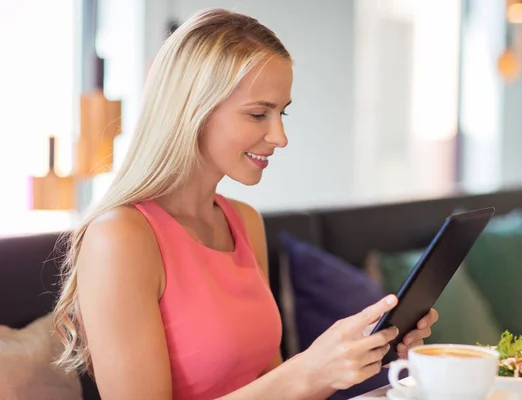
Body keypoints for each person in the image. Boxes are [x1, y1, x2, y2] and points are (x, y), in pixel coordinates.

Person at [52, 8, 439, 400]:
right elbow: (287, 384)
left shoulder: (243, 221)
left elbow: (270, 388)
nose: (280, 136)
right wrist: (306, 372)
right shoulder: (120, 238)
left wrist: (355, 359)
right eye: (259, 114)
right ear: (192, 111)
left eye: (281, 112)